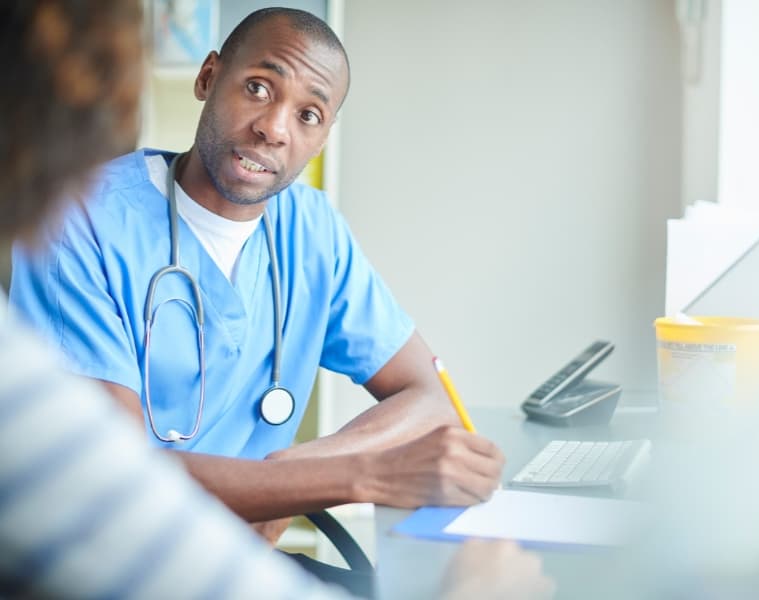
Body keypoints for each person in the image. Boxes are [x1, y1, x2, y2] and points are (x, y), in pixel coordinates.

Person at [0, 1, 557, 598]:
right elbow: (113, 481)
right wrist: (357, 475)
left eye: (309, 114)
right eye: (259, 87)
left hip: (236, 557)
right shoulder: (82, 219)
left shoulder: (311, 229)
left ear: (322, 137)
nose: (275, 128)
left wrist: (289, 474)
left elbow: (429, 395)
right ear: (208, 77)